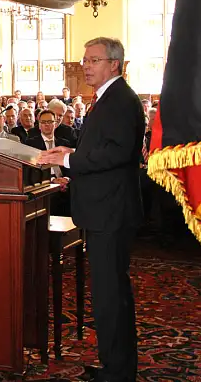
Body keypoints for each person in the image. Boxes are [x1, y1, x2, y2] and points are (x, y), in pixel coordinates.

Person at [39, 37, 144, 382]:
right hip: (105, 207)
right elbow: (101, 149)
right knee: (111, 292)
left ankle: (117, 371)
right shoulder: (109, 99)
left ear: (114, 64)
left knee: (111, 294)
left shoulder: (120, 100)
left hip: (110, 211)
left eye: (93, 60)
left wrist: (70, 158)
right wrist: (72, 155)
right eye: (84, 59)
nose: (85, 65)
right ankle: (116, 364)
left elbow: (117, 153)